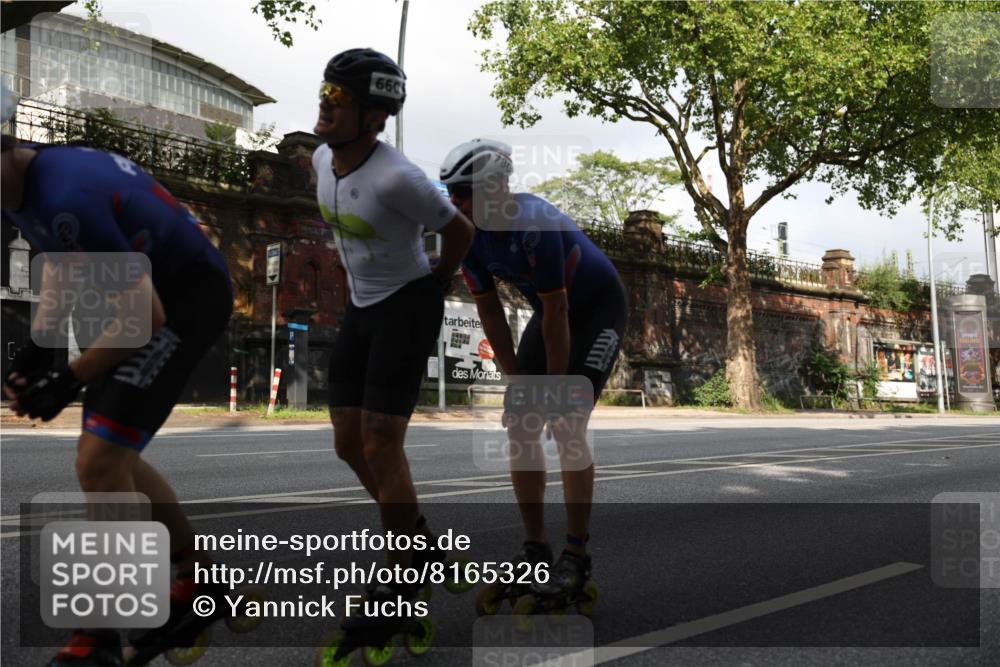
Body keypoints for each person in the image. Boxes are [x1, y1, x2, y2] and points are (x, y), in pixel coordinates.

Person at [1, 85, 235, 666]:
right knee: (114, 456)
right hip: (142, 294)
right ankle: (198, 576)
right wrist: (40, 348)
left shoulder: (63, 190)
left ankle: (102, 633)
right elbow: (60, 261)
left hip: (184, 300)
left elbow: (147, 316)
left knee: (99, 458)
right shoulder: (23, 180)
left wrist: (68, 379)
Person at [311, 48, 475, 634]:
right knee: (347, 444)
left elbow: (460, 230)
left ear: (376, 117)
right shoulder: (319, 161)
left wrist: (442, 274)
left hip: (408, 301)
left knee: (381, 441)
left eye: (341, 100)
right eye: (325, 93)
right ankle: (421, 542)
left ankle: (405, 570)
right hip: (362, 306)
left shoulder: (398, 177)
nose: (325, 107)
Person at [439, 138, 628, 613]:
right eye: (449, 193)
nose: (453, 203)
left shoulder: (534, 223)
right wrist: (516, 381)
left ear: (498, 187)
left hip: (596, 310)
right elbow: (490, 312)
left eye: (463, 192)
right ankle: (535, 547)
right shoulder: (467, 235)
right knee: (521, 423)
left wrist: (559, 389)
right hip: (553, 315)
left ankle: (575, 554)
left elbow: (558, 307)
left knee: (566, 424)